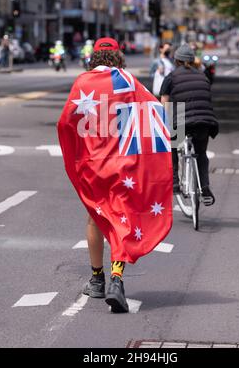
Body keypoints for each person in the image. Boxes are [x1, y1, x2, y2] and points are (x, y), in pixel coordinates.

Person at [58, 37, 173, 313]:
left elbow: (66, 121)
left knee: (96, 216)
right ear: (118, 56)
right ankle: (117, 279)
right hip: (123, 165)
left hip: (93, 165)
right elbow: (156, 111)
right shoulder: (129, 82)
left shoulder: (83, 83)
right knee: (122, 217)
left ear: (94, 57)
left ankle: (97, 279)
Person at [160, 43, 219, 204]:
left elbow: (165, 103)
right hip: (204, 119)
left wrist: (164, 123)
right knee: (201, 153)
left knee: (172, 145)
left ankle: (175, 182)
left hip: (179, 117)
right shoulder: (203, 76)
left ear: (176, 60)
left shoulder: (171, 77)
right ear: (193, 61)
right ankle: (205, 188)